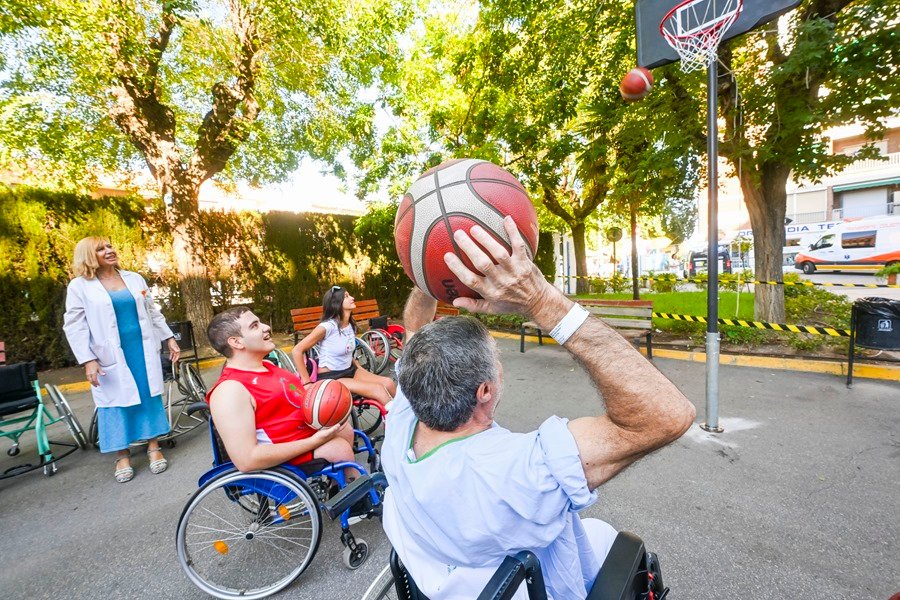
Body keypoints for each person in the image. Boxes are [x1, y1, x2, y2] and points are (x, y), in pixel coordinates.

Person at [380, 217, 697, 600]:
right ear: (485, 390)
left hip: (450, 578)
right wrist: (540, 299)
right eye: (497, 358)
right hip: (538, 587)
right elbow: (667, 414)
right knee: (611, 539)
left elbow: (415, 330)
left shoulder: (402, 420)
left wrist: (427, 268)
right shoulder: (519, 472)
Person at [63, 237, 180, 483]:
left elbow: (151, 310)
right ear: (88, 255)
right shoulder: (80, 286)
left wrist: (168, 337)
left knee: (148, 394)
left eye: (110, 246)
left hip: (141, 347)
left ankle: (153, 446)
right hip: (109, 353)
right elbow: (74, 326)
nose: (109, 250)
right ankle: (122, 454)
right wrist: (88, 360)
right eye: (101, 248)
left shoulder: (134, 278)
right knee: (114, 403)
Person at [205, 307, 355, 473]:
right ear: (236, 342)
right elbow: (247, 460)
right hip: (283, 456)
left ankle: (341, 490)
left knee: (346, 431)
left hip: (307, 436)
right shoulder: (229, 390)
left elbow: (295, 396)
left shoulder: (268, 366)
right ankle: (358, 494)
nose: (266, 327)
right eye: (254, 326)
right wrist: (315, 441)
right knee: (339, 448)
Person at [290, 286, 396, 406]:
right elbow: (297, 350)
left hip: (350, 369)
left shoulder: (350, 324)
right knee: (378, 390)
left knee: (388, 383)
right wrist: (306, 383)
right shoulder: (327, 327)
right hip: (332, 377)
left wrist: (359, 368)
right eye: (346, 296)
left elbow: (347, 353)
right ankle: (397, 422)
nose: (352, 298)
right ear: (337, 303)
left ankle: (408, 417)